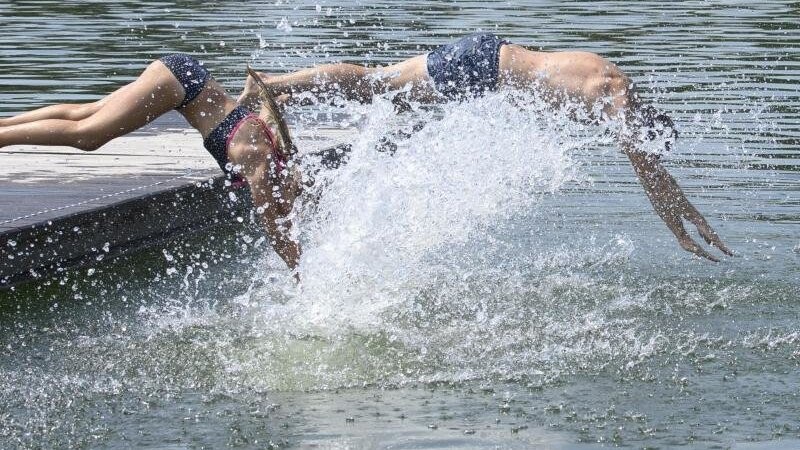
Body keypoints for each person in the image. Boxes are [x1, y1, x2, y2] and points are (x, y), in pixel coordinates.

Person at [240, 33, 733, 262]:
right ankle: (273, 83)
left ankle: (280, 86)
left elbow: (653, 171)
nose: (640, 146)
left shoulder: (612, 76)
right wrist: (684, 231)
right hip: (481, 70)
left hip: (483, 56)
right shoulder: (616, 97)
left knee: (377, 83)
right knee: (377, 87)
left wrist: (686, 216)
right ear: (649, 124)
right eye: (649, 141)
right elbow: (651, 176)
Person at [0, 54, 301, 270]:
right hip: (181, 84)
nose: (289, 203)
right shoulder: (259, 158)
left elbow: (279, 211)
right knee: (89, 135)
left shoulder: (270, 148)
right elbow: (271, 218)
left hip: (184, 79)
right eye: (292, 194)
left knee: (86, 113)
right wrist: (299, 271)